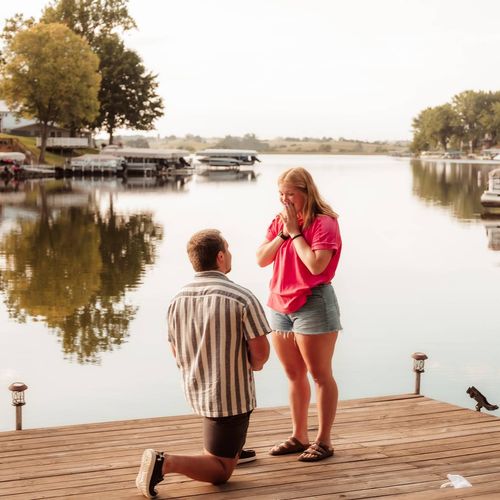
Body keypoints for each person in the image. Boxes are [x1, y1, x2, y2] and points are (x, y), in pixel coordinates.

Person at [136, 229, 271, 498]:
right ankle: (165, 463)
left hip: (197, 390)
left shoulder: (178, 298)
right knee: (220, 472)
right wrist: (251, 365)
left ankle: (233, 448)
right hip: (229, 399)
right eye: (228, 250)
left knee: (224, 441)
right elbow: (260, 355)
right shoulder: (241, 297)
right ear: (220, 256)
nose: (230, 254)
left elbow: (175, 350)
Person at [256, 167, 342, 462]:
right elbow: (261, 259)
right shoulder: (280, 221)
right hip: (279, 304)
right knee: (294, 374)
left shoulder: (324, 223)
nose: (285, 199)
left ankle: (324, 440)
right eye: (281, 194)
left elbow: (316, 266)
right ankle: (298, 435)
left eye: (290, 193)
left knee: (320, 376)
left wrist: (295, 233)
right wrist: (284, 233)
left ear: (306, 192)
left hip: (313, 302)